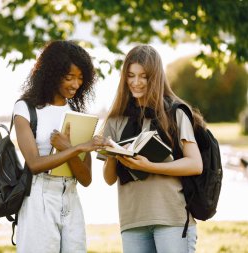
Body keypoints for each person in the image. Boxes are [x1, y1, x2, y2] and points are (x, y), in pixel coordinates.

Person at [100, 45, 204, 253]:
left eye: (143, 76)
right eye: (130, 75)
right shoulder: (115, 120)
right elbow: (109, 179)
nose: (136, 82)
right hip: (132, 220)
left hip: (171, 217)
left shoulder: (175, 113)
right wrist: (113, 152)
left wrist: (151, 166)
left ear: (155, 77)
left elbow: (195, 164)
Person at [13, 40, 103, 253]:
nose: (75, 84)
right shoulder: (25, 108)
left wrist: (69, 148)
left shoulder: (77, 114)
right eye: (69, 77)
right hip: (38, 197)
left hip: (71, 197)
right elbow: (34, 164)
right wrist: (78, 148)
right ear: (52, 73)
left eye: (81, 78)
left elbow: (86, 179)